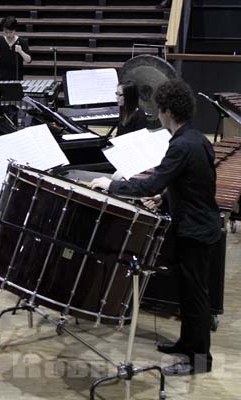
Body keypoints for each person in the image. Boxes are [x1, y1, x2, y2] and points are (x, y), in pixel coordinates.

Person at [90, 80, 220, 376]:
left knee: (197, 296)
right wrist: (163, 198)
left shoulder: (182, 145)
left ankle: (200, 361)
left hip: (195, 231)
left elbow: (151, 181)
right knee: (189, 292)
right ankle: (187, 344)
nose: (158, 116)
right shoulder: (196, 139)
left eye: (159, 111)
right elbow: (193, 182)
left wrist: (113, 185)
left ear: (167, 112)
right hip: (198, 225)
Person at [0, 16, 32, 81]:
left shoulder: (21, 41)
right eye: (6, 32)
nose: (8, 35)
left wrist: (21, 51)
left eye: (10, 32)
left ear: (15, 30)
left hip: (16, 78)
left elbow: (28, 60)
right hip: (0, 77)